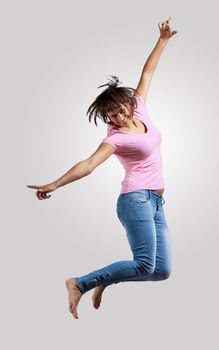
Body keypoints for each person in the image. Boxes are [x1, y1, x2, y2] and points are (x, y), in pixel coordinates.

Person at [26, 17, 178, 319]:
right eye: (111, 115)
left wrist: (163, 40)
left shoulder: (140, 108)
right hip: (135, 200)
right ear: (107, 118)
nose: (119, 116)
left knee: (161, 271)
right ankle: (80, 283)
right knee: (145, 264)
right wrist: (55, 184)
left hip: (156, 203)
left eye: (121, 109)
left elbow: (147, 72)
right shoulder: (116, 138)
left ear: (128, 104)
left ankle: (104, 278)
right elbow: (89, 164)